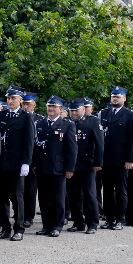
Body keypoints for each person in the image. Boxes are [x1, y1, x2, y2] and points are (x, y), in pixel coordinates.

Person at [0, 86, 35, 242]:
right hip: (2, 162)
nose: (10, 101)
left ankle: (19, 228)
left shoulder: (26, 116)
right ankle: (5, 228)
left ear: (20, 100)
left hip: (17, 163)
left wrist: (26, 163)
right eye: (8, 98)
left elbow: (28, 142)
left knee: (17, 196)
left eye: (13, 98)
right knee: (1, 196)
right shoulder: (1, 115)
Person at [34, 96, 77, 237]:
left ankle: (57, 225)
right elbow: (35, 146)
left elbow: (72, 148)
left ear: (60, 109)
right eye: (49, 106)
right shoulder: (39, 124)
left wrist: (70, 168)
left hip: (58, 167)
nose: (51, 109)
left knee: (58, 198)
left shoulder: (67, 125)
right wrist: (34, 164)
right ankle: (46, 225)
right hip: (42, 166)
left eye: (54, 107)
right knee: (44, 198)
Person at [99, 87, 133, 230]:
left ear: (124, 99)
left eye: (118, 96)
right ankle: (109, 219)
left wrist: (130, 159)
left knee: (121, 190)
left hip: (122, 160)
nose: (115, 99)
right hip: (106, 159)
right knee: (107, 190)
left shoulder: (130, 115)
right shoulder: (104, 113)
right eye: (113, 96)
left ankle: (120, 219)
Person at [65, 98, 103, 234]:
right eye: (71, 110)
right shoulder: (66, 122)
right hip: (71, 166)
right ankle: (78, 222)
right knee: (73, 195)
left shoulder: (92, 121)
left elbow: (99, 144)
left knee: (90, 194)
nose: (74, 113)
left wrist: (98, 163)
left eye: (76, 110)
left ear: (83, 109)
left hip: (88, 165)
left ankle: (92, 223)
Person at [21, 92, 43, 229]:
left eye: (28, 104)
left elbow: (39, 145)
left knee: (30, 190)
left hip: (33, 160)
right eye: (24, 104)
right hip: (20, 158)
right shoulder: (19, 117)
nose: (26, 106)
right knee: (19, 189)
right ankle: (20, 214)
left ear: (34, 104)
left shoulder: (39, 119)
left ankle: (29, 216)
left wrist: (35, 163)